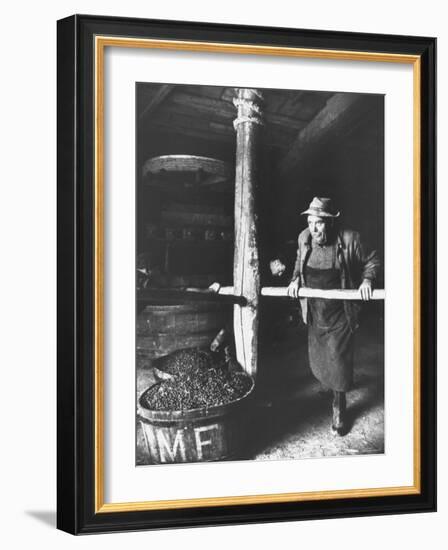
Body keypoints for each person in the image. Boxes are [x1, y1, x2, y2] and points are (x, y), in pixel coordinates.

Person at [287, 197, 380, 435]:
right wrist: (295, 278)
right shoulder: (303, 238)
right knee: (320, 356)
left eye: (318, 223)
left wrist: (367, 280)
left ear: (329, 223)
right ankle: (330, 386)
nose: (313, 228)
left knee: (338, 360)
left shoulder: (350, 239)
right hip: (316, 309)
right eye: (310, 222)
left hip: (341, 312)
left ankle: (339, 407)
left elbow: (372, 260)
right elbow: (299, 261)